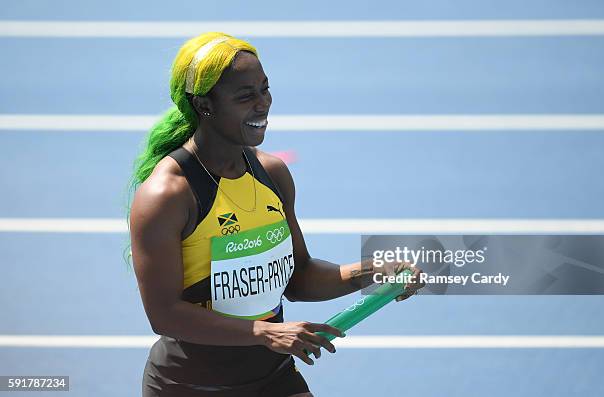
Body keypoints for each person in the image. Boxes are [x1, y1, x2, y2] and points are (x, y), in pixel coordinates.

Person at [128, 32, 424, 397]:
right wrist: (266, 332)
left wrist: (369, 271)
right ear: (205, 105)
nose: (262, 104)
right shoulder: (168, 195)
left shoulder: (272, 174)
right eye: (245, 96)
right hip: (190, 386)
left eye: (264, 89)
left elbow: (298, 278)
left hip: (273, 378)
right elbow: (164, 314)